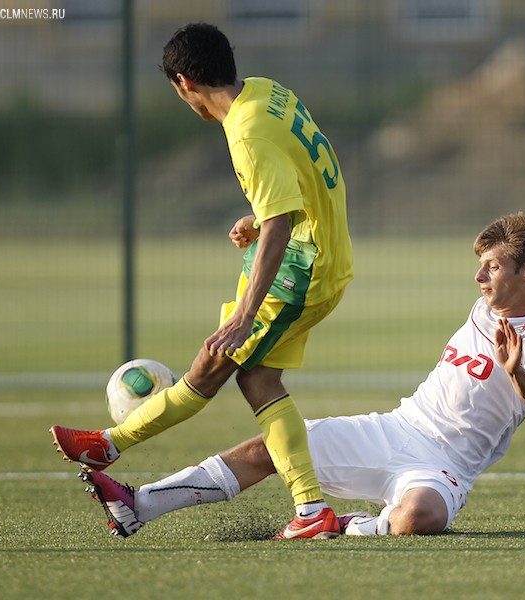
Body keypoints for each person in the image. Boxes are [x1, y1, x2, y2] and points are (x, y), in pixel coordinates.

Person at [79, 213, 525, 538]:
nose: (480, 278)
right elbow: (315, 238)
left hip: (446, 466)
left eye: (492, 267)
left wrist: (514, 369)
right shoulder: (481, 310)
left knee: (421, 517)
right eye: (480, 267)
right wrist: (267, 237)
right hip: (395, 428)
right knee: (269, 449)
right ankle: (138, 506)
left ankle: (350, 525)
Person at [50, 22, 353, 539]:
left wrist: (244, 314)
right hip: (307, 251)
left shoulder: (246, 131)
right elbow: (300, 177)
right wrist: (258, 218)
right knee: (249, 375)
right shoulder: (267, 93)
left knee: (222, 364)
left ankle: (111, 444)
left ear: (183, 82)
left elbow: (281, 224)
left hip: (303, 266)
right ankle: (309, 512)